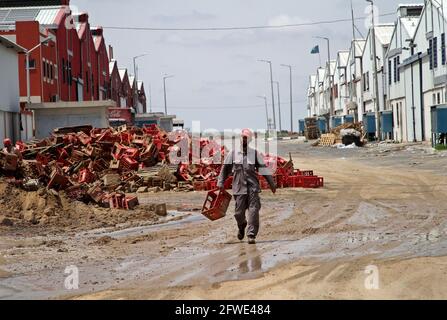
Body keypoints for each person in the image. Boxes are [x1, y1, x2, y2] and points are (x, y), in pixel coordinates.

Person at [217, 129, 276, 244]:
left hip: (252, 187)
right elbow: (225, 170)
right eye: (243, 137)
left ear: (249, 140)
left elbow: (264, 169)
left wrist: (272, 184)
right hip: (238, 188)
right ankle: (242, 225)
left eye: (246, 138)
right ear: (240, 138)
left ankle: (251, 234)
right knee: (238, 214)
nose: (244, 139)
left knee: (253, 211)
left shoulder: (254, 153)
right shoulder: (233, 153)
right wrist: (220, 183)